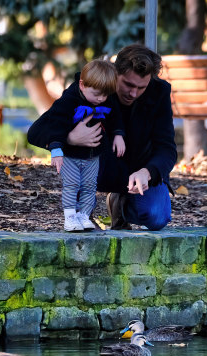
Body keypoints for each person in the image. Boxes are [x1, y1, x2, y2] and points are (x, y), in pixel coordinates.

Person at [28, 44, 176, 231]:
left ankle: (120, 205)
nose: (133, 93)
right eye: (128, 85)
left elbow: (167, 149)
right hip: (99, 164)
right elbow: (37, 131)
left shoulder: (159, 93)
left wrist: (148, 172)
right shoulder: (93, 86)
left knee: (157, 217)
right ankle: (82, 214)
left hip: (139, 170)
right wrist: (70, 138)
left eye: (141, 87)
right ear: (115, 74)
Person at [27, 59, 126, 232]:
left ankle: (84, 215)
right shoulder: (69, 100)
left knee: (89, 186)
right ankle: (70, 217)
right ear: (82, 84)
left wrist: (118, 134)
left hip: (93, 154)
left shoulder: (105, 98)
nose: (101, 99)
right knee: (72, 185)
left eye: (105, 95)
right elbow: (56, 123)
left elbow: (115, 115)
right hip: (71, 155)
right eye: (96, 94)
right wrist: (57, 148)